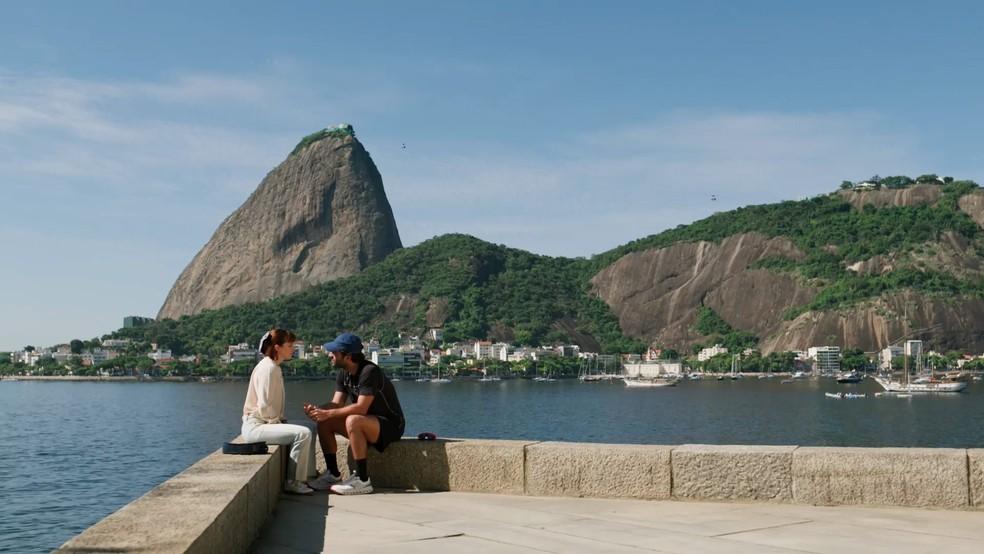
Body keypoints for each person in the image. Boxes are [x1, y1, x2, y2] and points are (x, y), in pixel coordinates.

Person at [304, 332, 405, 495]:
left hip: (390, 426)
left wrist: (328, 413)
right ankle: (333, 474)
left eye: (334, 352)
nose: (330, 355)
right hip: (366, 422)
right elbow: (336, 404)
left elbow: (361, 408)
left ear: (348, 356)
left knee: (353, 420)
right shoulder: (344, 373)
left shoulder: (369, 372)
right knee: (325, 421)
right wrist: (319, 411)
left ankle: (362, 480)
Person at [241, 328, 332, 494]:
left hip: (264, 422)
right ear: (277, 347)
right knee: (303, 433)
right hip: (257, 426)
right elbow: (264, 407)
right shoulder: (269, 369)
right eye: (290, 345)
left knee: (310, 427)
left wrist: (277, 420)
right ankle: (293, 482)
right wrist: (276, 421)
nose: (293, 349)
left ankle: (308, 476)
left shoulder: (273, 366)